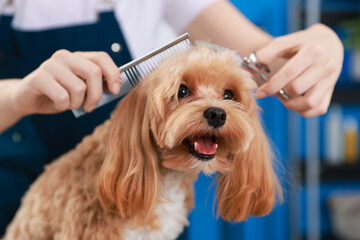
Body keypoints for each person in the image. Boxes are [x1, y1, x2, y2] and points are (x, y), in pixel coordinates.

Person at [0, 0, 343, 235]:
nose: (214, 108)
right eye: (183, 93)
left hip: (152, 199)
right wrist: (17, 96)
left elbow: (269, 60)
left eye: (227, 96)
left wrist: (322, 44)